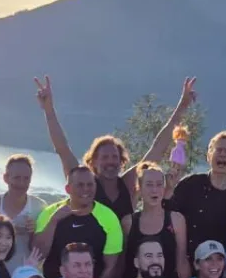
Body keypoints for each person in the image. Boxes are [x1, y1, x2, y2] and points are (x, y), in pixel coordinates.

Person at [35, 75, 198, 222]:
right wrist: (48, 110)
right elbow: (62, 148)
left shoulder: (128, 184)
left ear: (122, 161)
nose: (110, 162)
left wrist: (183, 105)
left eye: (114, 157)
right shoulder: (83, 183)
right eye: (104, 158)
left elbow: (158, 148)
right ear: (93, 161)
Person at [34, 164, 124, 278]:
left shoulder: (108, 217)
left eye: (90, 185)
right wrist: (53, 221)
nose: (86, 189)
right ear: (68, 189)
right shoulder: (50, 213)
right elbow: (39, 254)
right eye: (80, 185)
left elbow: (110, 267)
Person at [169, 130, 226, 258]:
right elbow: (168, 215)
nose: (223, 154)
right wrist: (168, 188)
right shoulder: (189, 184)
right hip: (187, 260)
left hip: (224, 263)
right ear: (208, 155)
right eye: (218, 150)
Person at [120, 162, 188, 278]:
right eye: (149, 185)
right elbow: (121, 263)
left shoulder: (176, 220)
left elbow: (181, 263)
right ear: (139, 188)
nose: (154, 190)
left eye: (159, 184)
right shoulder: (128, 222)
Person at [0, 154, 45, 266]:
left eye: (26, 178)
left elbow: (43, 250)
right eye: (17, 178)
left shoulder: (39, 207)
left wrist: (34, 233)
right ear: (5, 178)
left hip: (26, 274)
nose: (21, 183)